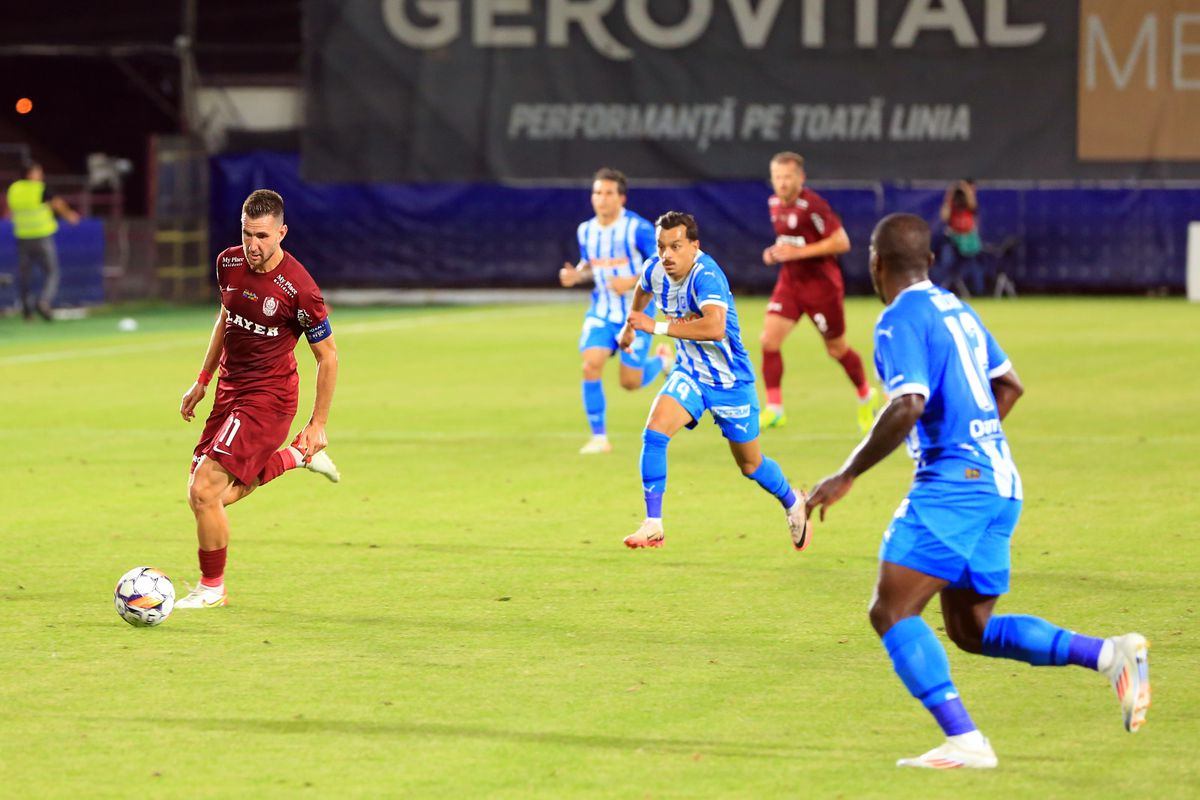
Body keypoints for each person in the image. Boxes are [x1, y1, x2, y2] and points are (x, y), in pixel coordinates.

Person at [805, 213, 1150, 769]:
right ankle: (1112, 655)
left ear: (875, 263)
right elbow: (1008, 385)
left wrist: (846, 475)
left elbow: (908, 402)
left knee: (891, 611)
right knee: (971, 629)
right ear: (931, 261)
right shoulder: (956, 308)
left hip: (957, 486)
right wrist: (978, 444)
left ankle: (966, 741)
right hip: (1000, 482)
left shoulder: (898, 320)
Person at [176, 189, 341, 608]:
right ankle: (294, 458)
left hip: (269, 397)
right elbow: (224, 319)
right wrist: (202, 380)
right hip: (230, 390)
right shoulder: (227, 263)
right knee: (205, 495)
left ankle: (211, 589)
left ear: (282, 232)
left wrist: (317, 423)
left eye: (263, 236)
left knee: (204, 491)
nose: (254, 245)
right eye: (248, 234)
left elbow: (328, 356)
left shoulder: (300, 289)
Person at [618, 211, 812, 551]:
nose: (667, 255)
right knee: (654, 431)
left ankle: (793, 502)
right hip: (690, 373)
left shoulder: (707, 276)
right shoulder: (655, 269)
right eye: (662, 247)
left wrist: (656, 327)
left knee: (750, 464)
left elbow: (714, 327)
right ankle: (653, 523)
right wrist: (629, 326)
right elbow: (642, 287)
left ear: (694, 246)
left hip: (730, 383)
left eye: (676, 246)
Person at [758, 152, 882, 433]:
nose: (782, 183)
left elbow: (842, 242)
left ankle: (865, 394)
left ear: (800, 178)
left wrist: (798, 252)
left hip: (821, 287)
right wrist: (774, 253)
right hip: (790, 283)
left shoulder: (812, 206)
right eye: (777, 177)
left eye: (788, 177)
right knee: (769, 340)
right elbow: (787, 242)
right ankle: (775, 408)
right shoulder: (774, 203)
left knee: (836, 349)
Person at [559, 167, 672, 454]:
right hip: (601, 312)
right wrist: (577, 275)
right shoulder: (586, 230)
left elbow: (662, 265)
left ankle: (661, 362)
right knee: (590, 364)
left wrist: (633, 281)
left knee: (629, 382)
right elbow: (589, 264)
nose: (602, 199)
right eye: (597, 193)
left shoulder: (639, 228)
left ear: (622, 199)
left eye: (609, 193)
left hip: (635, 315)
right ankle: (599, 437)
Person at [5, 162, 80, 320]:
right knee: (52, 271)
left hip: (22, 237)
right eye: (38, 172)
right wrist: (69, 216)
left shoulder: (13, 189)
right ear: (30, 174)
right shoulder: (39, 189)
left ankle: (27, 311)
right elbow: (57, 203)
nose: (41, 175)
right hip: (41, 237)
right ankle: (44, 301)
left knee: (25, 275)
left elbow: (8, 211)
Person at [938, 179, 985, 297]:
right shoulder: (953, 204)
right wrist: (951, 194)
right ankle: (941, 291)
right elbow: (944, 217)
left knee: (974, 267)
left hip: (969, 241)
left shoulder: (970, 205)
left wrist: (965, 188)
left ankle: (979, 293)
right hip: (954, 240)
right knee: (946, 263)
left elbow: (972, 204)